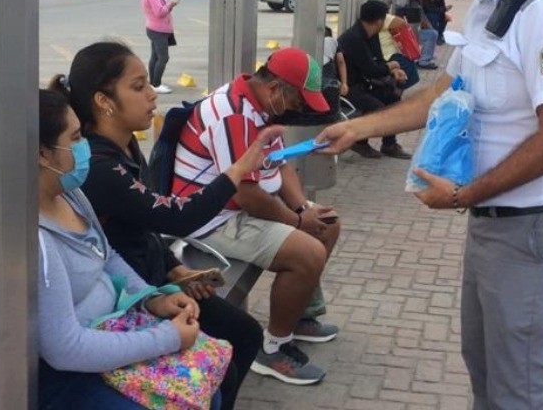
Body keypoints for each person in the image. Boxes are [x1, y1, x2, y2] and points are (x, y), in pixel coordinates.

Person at [318, 0, 543, 410]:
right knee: (485, 368)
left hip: (532, 229)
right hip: (496, 223)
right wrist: (355, 128)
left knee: (518, 390)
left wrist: (464, 194)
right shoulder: (493, 6)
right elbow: (437, 96)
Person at [52, 41, 285, 410]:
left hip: (152, 282)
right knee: (234, 347)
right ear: (104, 101)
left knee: (241, 337)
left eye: (148, 83)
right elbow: (174, 215)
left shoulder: (127, 146)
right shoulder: (97, 167)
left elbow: (144, 221)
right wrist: (240, 168)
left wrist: (177, 270)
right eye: (138, 86)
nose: (151, 94)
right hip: (128, 299)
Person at [35, 88, 218, 410]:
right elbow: (65, 349)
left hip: (114, 326)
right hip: (68, 374)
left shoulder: (70, 195)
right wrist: (168, 338)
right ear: (42, 154)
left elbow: (106, 255)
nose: (85, 146)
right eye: (75, 138)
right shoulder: (37, 240)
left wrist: (153, 299)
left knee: (210, 385)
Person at [175, 48, 341, 386]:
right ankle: (272, 348)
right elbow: (246, 195)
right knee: (308, 253)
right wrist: (298, 223)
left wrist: (303, 210)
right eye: (298, 100)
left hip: (242, 206)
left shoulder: (261, 107)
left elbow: (281, 166)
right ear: (276, 88)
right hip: (212, 218)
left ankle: (299, 315)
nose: (300, 108)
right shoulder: (233, 115)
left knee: (327, 225)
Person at [337, 0, 412, 160]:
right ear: (379, 21)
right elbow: (371, 70)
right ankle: (359, 142)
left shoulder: (371, 34)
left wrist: (394, 71)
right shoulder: (354, 38)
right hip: (348, 87)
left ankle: (389, 145)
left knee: (393, 97)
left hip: (364, 83)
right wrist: (392, 65)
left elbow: (378, 62)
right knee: (377, 107)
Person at [140, 0, 179, 94]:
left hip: (155, 29)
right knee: (163, 58)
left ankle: (153, 83)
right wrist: (169, 4)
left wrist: (169, 6)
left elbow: (159, 10)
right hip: (158, 30)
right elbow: (159, 12)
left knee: (155, 57)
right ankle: (156, 84)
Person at [404, 0, 440, 70]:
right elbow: (424, 22)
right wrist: (432, 29)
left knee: (432, 32)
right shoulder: (416, 5)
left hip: (412, 31)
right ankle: (424, 61)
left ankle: (424, 57)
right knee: (433, 34)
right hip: (413, 33)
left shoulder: (416, 2)